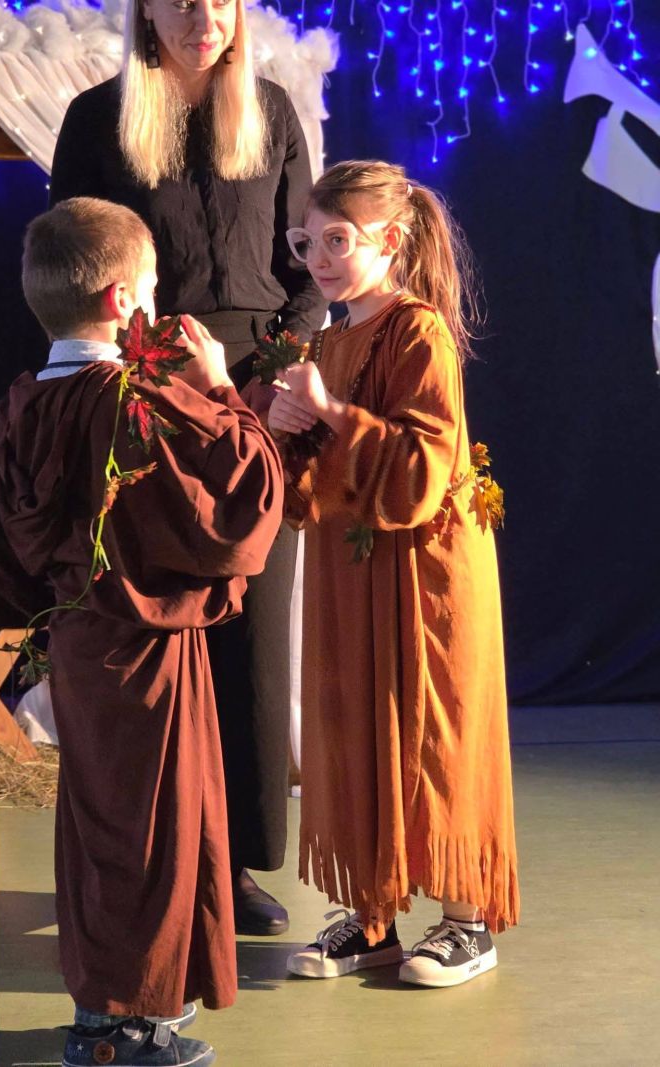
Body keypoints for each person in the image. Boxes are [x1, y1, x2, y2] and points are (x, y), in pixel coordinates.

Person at [0, 196, 284, 1066]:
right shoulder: (138, 402)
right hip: (148, 654)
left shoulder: (23, 403)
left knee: (103, 827)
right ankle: (125, 1029)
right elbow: (243, 507)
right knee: (153, 831)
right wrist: (219, 386)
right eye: (152, 288)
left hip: (77, 648)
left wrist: (52, 602)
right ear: (120, 300)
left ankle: (107, 1011)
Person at [49, 0, 327, 935]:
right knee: (169, 636)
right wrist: (143, 377)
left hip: (262, 393)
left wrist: (278, 368)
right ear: (146, 10)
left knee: (254, 634)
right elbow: (73, 268)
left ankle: (238, 862)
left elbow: (306, 270)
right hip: (149, 386)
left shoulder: (274, 111)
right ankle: (170, 856)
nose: (201, 15)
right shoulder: (97, 119)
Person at [269, 161, 519, 989]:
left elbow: (420, 469)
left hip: (425, 573)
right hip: (355, 570)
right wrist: (289, 427)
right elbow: (309, 488)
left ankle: (466, 921)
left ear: (393, 241)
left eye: (338, 240)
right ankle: (373, 916)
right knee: (357, 723)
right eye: (308, 242)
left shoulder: (420, 333)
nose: (320, 259)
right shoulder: (326, 341)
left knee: (434, 730)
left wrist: (330, 413)